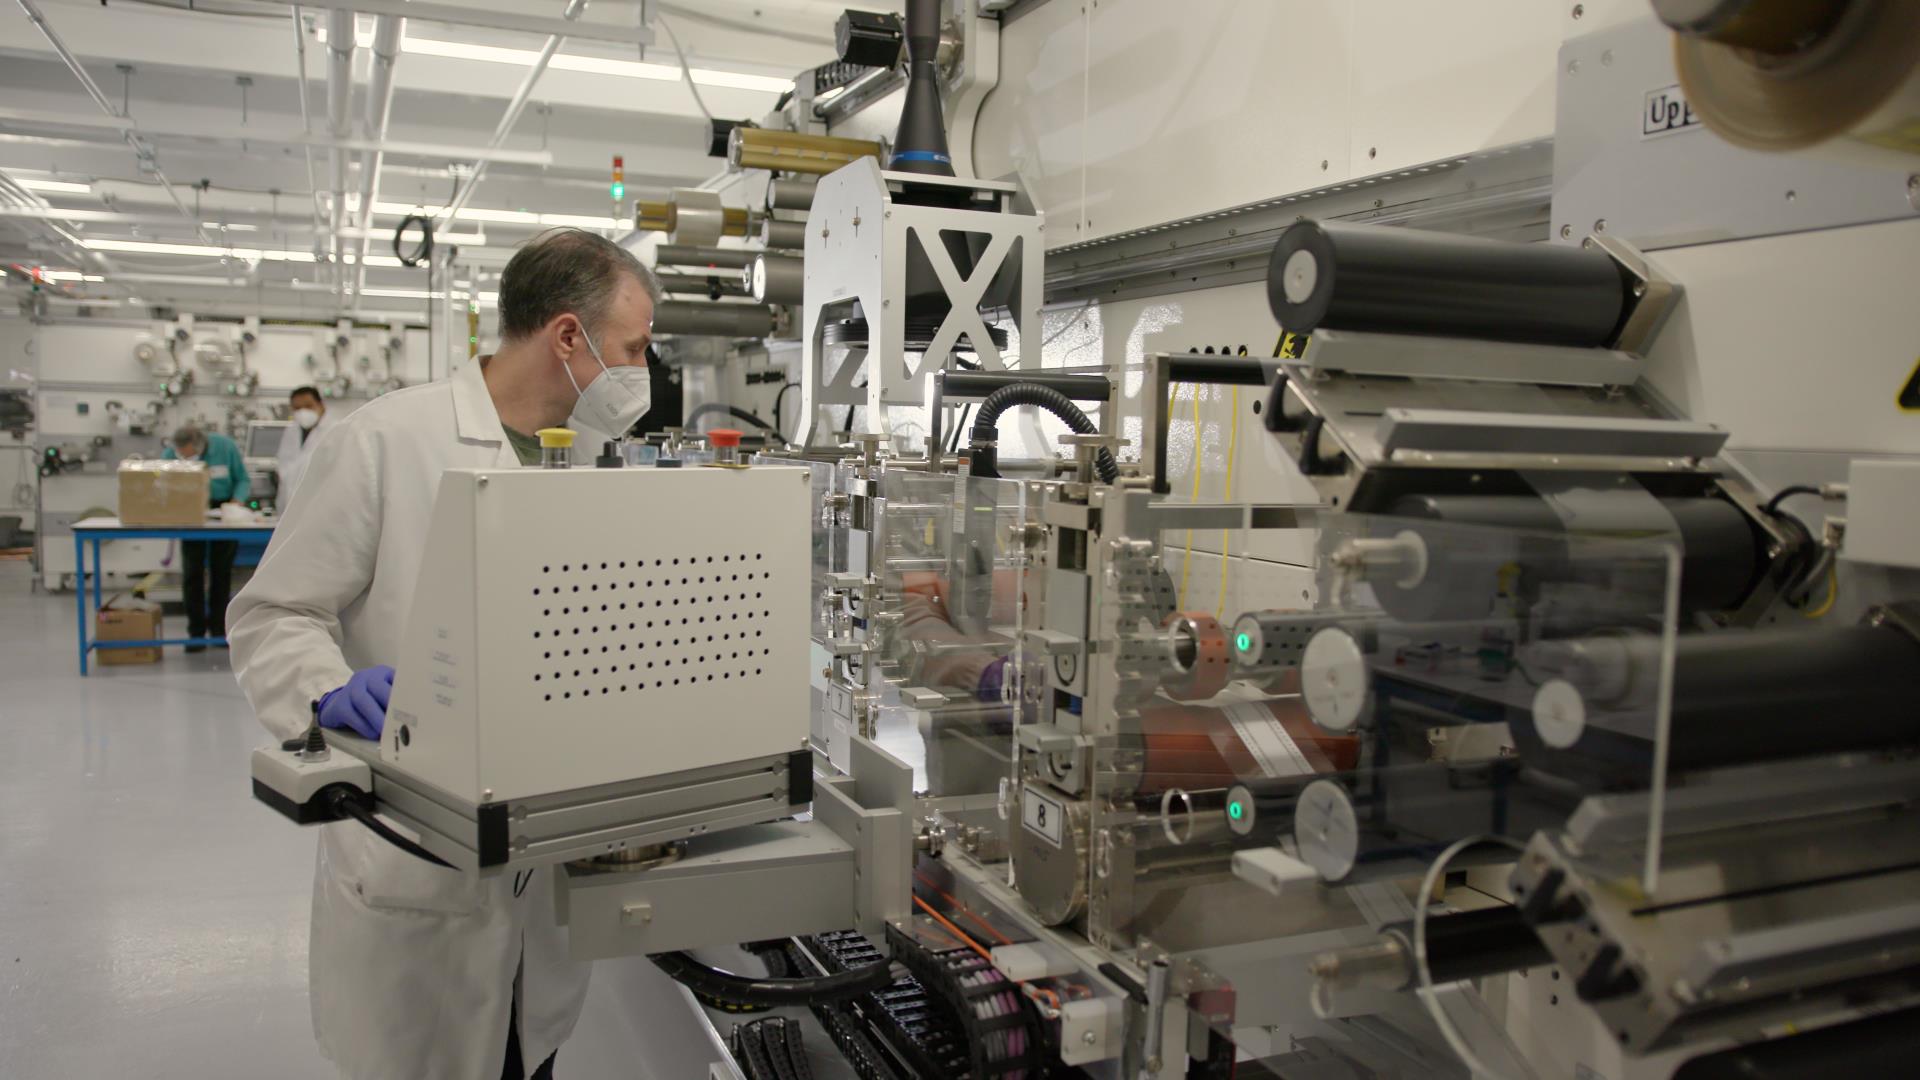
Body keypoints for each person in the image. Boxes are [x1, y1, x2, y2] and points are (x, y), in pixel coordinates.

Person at [226, 229, 659, 1079]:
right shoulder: (383, 442)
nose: (644, 371)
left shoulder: (605, 462)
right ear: (568, 337)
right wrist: (328, 692)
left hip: (544, 872)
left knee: (524, 1055)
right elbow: (274, 613)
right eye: (634, 349)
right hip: (412, 861)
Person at [162, 424, 250, 652]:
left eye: (190, 454)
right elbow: (160, 480)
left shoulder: (225, 447)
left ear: (201, 445)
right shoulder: (171, 453)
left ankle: (220, 631)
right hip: (189, 512)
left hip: (222, 510)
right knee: (192, 573)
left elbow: (242, 479)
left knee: (221, 572)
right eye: (182, 454)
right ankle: (196, 633)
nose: (184, 456)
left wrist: (237, 502)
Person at [274, 384, 329, 503]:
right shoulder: (291, 431)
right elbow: (284, 465)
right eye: (297, 408)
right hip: (289, 500)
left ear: (321, 405)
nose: (303, 412)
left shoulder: (334, 431)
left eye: (308, 406)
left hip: (321, 501)